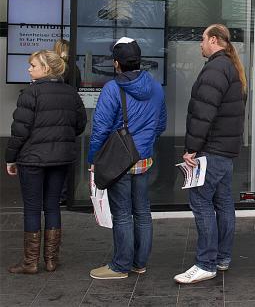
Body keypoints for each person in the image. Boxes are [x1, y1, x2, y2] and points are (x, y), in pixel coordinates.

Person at [88, 37, 167, 280]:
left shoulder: (113, 88)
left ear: (116, 64)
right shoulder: (155, 86)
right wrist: (144, 143)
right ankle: (139, 263)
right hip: (143, 159)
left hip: (119, 161)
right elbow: (161, 124)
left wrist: (93, 159)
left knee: (122, 214)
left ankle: (120, 266)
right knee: (142, 211)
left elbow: (100, 129)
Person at [175, 24, 247, 284]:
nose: (200, 44)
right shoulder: (229, 67)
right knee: (224, 203)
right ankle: (221, 258)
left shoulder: (216, 68)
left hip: (211, 150)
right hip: (224, 151)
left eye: (202, 39)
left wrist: (191, 148)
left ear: (214, 40)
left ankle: (206, 263)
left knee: (201, 202)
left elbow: (204, 113)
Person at [5, 50, 86, 274]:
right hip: (61, 158)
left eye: (33, 65)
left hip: (32, 159)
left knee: (32, 208)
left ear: (46, 68)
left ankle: (30, 263)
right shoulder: (71, 93)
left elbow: (19, 131)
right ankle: (51, 260)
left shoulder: (30, 94)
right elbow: (79, 125)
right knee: (52, 206)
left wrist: (10, 158)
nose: (29, 69)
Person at [52, 38, 82, 205]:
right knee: (65, 159)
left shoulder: (50, 71)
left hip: (51, 121)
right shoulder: (74, 70)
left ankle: (53, 195)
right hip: (68, 119)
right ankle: (63, 194)